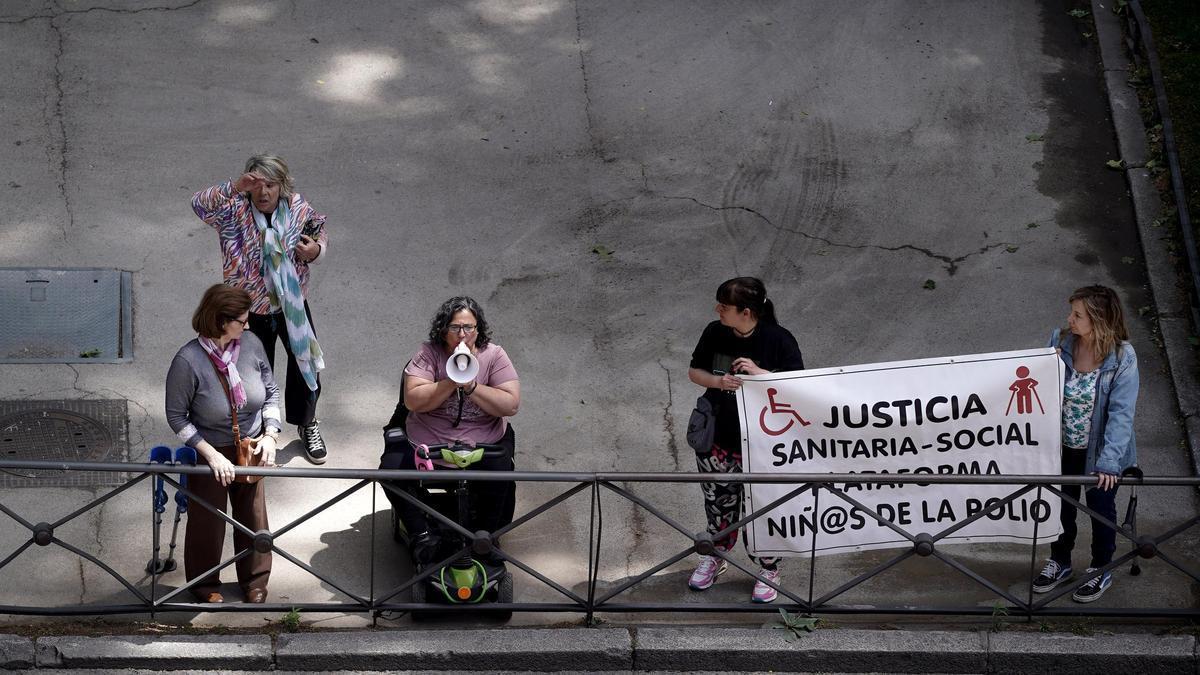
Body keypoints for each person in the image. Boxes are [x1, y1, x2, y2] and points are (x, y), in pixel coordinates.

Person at [191, 154, 329, 464]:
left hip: (291, 304)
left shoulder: (296, 207)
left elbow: (320, 233)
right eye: (257, 186)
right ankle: (254, 431)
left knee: (303, 364)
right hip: (248, 309)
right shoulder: (232, 210)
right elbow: (198, 204)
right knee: (251, 373)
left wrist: (315, 251)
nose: (264, 193)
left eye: (271, 185)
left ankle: (307, 423)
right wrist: (233, 187)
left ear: (283, 185)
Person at [686, 277, 805, 602]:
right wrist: (718, 381)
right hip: (718, 441)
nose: (717, 310)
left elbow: (801, 387)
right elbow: (694, 372)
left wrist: (759, 373)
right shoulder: (714, 332)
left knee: (763, 509)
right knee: (718, 505)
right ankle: (714, 555)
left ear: (746, 312)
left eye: (724, 306)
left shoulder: (778, 340)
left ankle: (768, 568)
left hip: (764, 447)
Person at [379, 296, 520, 562]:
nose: (463, 335)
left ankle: (487, 536)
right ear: (444, 329)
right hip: (429, 446)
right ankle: (422, 534)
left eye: (469, 327)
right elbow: (412, 400)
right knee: (391, 469)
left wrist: (472, 387)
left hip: (483, 446)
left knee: (503, 476)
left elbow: (511, 404)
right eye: (455, 328)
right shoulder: (428, 353)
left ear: (478, 330)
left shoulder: (494, 354)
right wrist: (450, 381)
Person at [165, 284, 280, 603]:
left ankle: (255, 580)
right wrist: (211, 455)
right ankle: (204, 583)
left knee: (254, 516)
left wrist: (270, 434)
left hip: (252, 446)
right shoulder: (188, 361)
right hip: (211, 449)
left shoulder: (253, 344)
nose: (247, 326)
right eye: (242, 321)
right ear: (220, 321)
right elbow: (177, 417)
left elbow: (271, 392)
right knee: (208, 520)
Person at [1032, 285, 1138, 603]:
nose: (1070, 319)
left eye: (1077, 315)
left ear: (1099, 319)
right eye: (1072, 313)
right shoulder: (1060, 342)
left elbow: (1121, 414)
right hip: (1063, 447)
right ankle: (1060, 561)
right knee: (1061, 507)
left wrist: (1109, 461)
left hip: (1102, 453)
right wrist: (1043, 365)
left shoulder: (1122, 357)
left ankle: (1101, 567)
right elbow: (1038, 388)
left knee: (1100, 510)